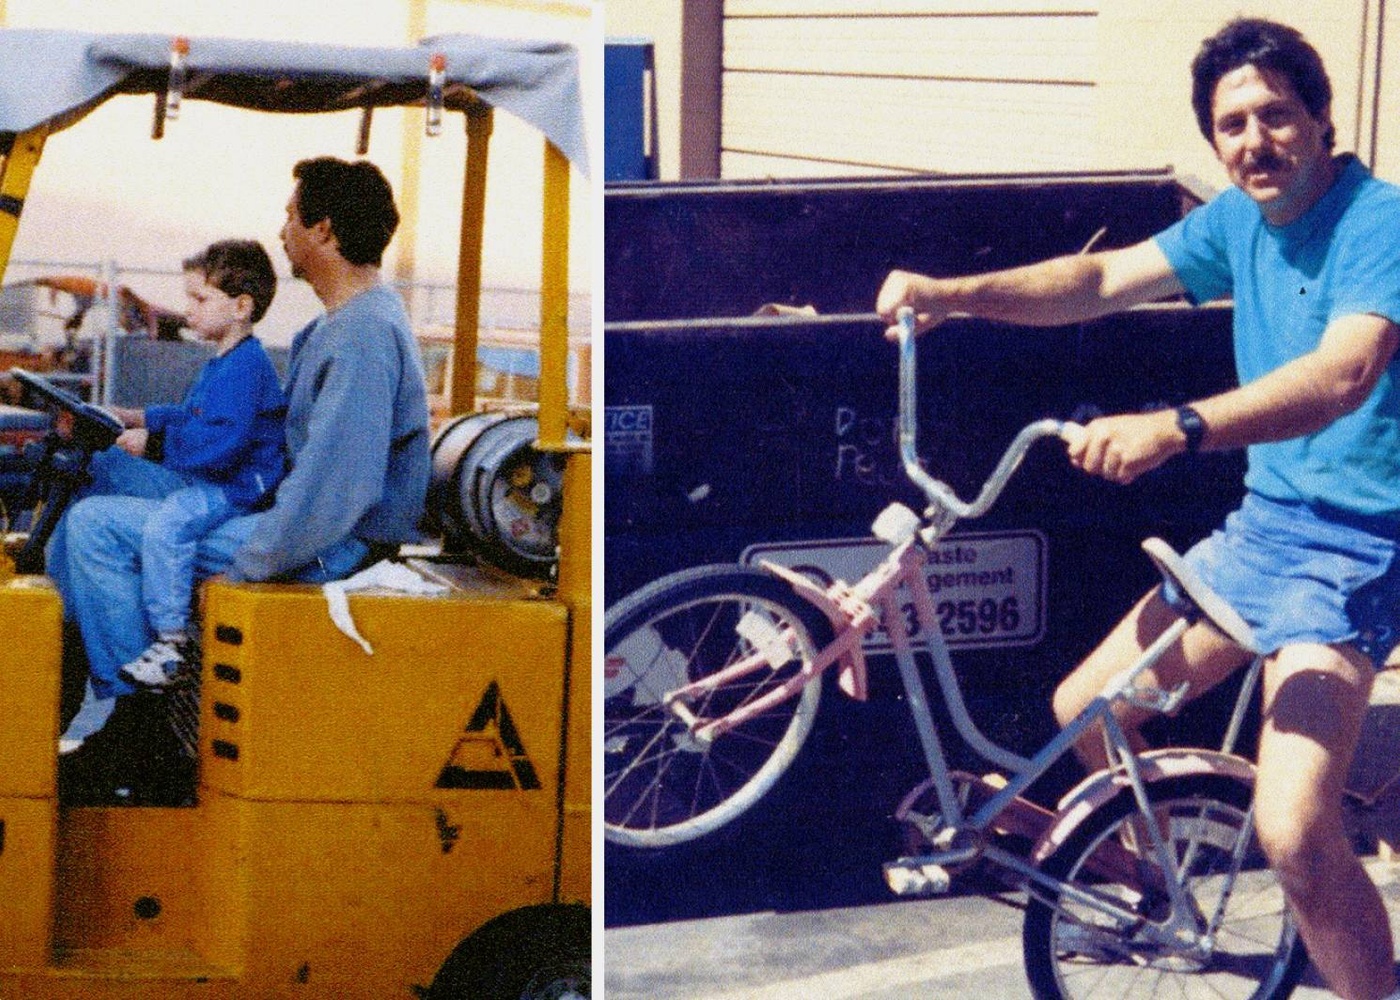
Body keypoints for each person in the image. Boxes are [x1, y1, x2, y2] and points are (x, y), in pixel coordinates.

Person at [876, 18, 1400, 1000]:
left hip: (1352, 551)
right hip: (1262, 532)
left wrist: (1177, 425)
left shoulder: (1379, 222)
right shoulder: (1240, 219)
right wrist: (953, 294)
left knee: (1290, 828)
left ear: (1320, 119)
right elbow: (1100, 278)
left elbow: (1343, 372)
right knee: (1089, 713)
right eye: (1231, 125)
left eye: (1275, 116)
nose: (1253, 141)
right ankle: (1149, 899)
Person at [54, 156, 431, 763]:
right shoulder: (334, 328)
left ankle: (137, 726)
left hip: (333, 543)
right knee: (106, 471)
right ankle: (78, 667)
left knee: (94, 529)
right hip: (297, 513)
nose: (282, 230)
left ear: (324, 231)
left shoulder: (361, 338)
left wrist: (253, 563)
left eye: (290, 216)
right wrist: (146, 428)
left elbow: (336, 489)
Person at [109, 240, 287, 693]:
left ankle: (171, 642)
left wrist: (153, 444)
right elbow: (193, 417)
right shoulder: (225, 362)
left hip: (240, 488)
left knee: (169, 523)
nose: (188, 310)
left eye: (200, 299)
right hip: (222, 476)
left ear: (241, 307)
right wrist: (139, 417)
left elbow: (220, 445)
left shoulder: (245, 367)